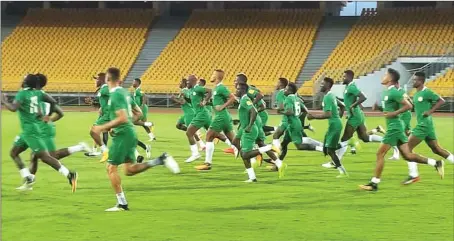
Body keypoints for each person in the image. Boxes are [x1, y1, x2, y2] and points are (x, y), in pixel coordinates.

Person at [91, 67, 180, 211]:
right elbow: (138, 113)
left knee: (111, 167)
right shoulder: (125, 93)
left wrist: (104, 127)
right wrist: (123, 124)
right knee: (129, 170)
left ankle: (122, 204)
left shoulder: (115, 95)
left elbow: (122, 117)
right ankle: (160, 160)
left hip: (123, 135)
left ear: (107, 79)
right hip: (129, 132)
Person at [359, 68, 444, 191]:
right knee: (408, 155)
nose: (383, 77)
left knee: (380, 154)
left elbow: (408, 106)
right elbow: (389, 111)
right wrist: (380, 109)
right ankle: (435, 163)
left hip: (394, 127)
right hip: (396, 127)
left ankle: (374, 184)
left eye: (385, 75)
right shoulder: (386, 92)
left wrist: (394, 114)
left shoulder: (394, 92)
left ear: (390, 78)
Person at [2, 74, 78, 192]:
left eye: (24, 79)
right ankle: (28, 177)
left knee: (45, 157)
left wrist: (3, 101)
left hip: (31, 131)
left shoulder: (22, 93)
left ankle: (69, 174)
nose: (22, 80)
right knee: (14, 153)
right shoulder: (38, 93)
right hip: (28, 131)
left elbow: (13, 108)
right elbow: (53, 101)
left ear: (26, 82)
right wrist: (47, 115)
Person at [402, 71, 454, 185]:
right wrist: (409, 101)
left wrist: (430, 111)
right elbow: (418, 107)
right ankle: (436, 164)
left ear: (420, 81)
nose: (413, 81)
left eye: (415, 80)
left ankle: (414, 175)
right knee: (436, 149)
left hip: (424, 125)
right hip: (426, 125)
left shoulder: (427, 92)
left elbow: (441, 100)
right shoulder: (416, 94)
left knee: (406, 149)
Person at [328, 70, 385, 163]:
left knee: (344, 139)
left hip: (355, 116)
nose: (343, 78)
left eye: (344, 77)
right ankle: (387, 140)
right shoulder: (348, 87)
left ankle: (335, 162)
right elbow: (349, 99)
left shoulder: (351, 87)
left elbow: (363, 97)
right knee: (364, 137)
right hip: (357, 115)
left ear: (350, 77)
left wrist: (352, 106)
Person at [235, 83, 283, 182]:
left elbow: (254, 111)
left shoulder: (245, 99)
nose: (235, 90)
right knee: (243, 153)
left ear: (243, 90)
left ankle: (269, 148)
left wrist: (249, 125)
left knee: (245, 154)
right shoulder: (243, 99)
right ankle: (252, 177)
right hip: (247, 128)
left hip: (250, 130)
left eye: (237, 89)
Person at [196, 70, 237, 171]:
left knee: (209, 136)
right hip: (224, 117)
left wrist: (222, 106)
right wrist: (207, 104)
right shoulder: (216, 88)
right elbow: (218, 103)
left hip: (221, 117)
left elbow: (232, 98)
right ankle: (258, 152)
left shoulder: (221, 88)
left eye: (213, 74)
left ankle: (207, 163)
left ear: (217, 77)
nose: (211, 76)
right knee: (235, 142)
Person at [307, 78, 348, 177]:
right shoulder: (331, 95)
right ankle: (345, 146)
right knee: (326, 149)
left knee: (330, 150)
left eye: (322, 84)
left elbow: (328, 114)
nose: (321, 85)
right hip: (334, 124)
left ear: (328, 85)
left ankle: (342, 171)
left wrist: (313, 117)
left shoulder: (328, 97)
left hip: (334, 126)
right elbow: (342, 106)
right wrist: (338, 117)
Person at [172, 78, 206, 151]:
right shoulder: (185, 91)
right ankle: (196, 135)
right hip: (186, 113)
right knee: (178, 125)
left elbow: (183, 102)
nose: (179, 84)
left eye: (180, 82)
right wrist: (176, 98)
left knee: (191, 131)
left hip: (189, 113)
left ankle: (202, 145)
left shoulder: (184, 91)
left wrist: (174, 99)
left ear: (184, 83)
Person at [88, 73, 110, 162]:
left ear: (101, 80)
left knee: (93, 131)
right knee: (118, 134)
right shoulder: (103, 89)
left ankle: (105, 151)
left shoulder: (105, 89)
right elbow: (102, 103)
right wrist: (92, 103)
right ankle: (136, 154)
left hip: (107, 116)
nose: (95, 81)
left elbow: (114, 97)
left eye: (97, 79)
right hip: (106, 115)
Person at [131, 78, 156, 142]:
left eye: (134, 82)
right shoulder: (137, 90)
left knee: (134, 121)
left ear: (137, 83)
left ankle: (150, 124)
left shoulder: (138, 90)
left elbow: (145, 96)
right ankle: (152, 136)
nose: (133, 83)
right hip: (141, 109)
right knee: (144, 124)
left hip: (141, 109)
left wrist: (141, 106)